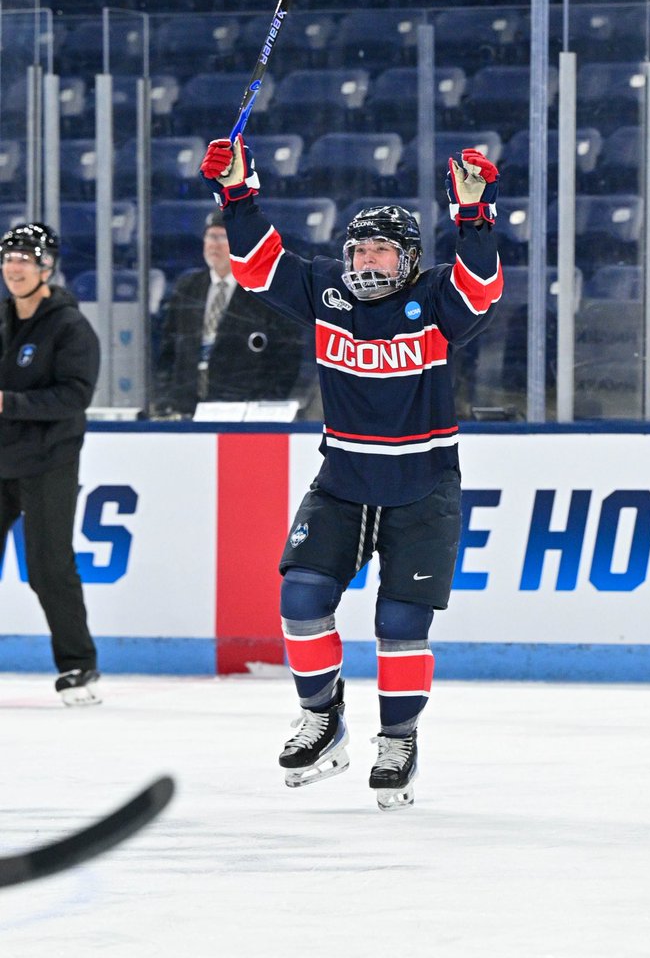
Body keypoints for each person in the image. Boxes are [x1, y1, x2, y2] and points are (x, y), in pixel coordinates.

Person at [200, 135, 503, 810]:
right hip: (341, 482)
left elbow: (480, 287)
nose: (366, 262)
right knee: (301, 598)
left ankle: (397, 739)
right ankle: (322, 717)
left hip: (421, 487)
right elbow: (256, 264)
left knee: (399, 623)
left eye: (381, 251)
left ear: (409, 259)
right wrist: (238, 192)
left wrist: (474, 216)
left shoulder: (435, 303)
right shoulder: (325, 294)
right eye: (358, 250)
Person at [0, 222, 101, 706]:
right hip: (1, 459)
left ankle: (78, 665)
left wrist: (9, 404)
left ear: (46, 266)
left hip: (48, 460)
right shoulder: (1, 318)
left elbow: (75, 395)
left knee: (48, 567)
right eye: (8, 256)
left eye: (25, 257)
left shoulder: (69, 326)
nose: (14, 266)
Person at [153, 209, 304, 417]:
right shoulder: (187, 287)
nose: (214, 244)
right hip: (185, 408)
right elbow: (168, 350)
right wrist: (167, 397)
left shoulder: (265, 291)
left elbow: (285, 358)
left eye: (223, 237)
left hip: (241, 411)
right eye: (210, 236)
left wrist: (262, 405)